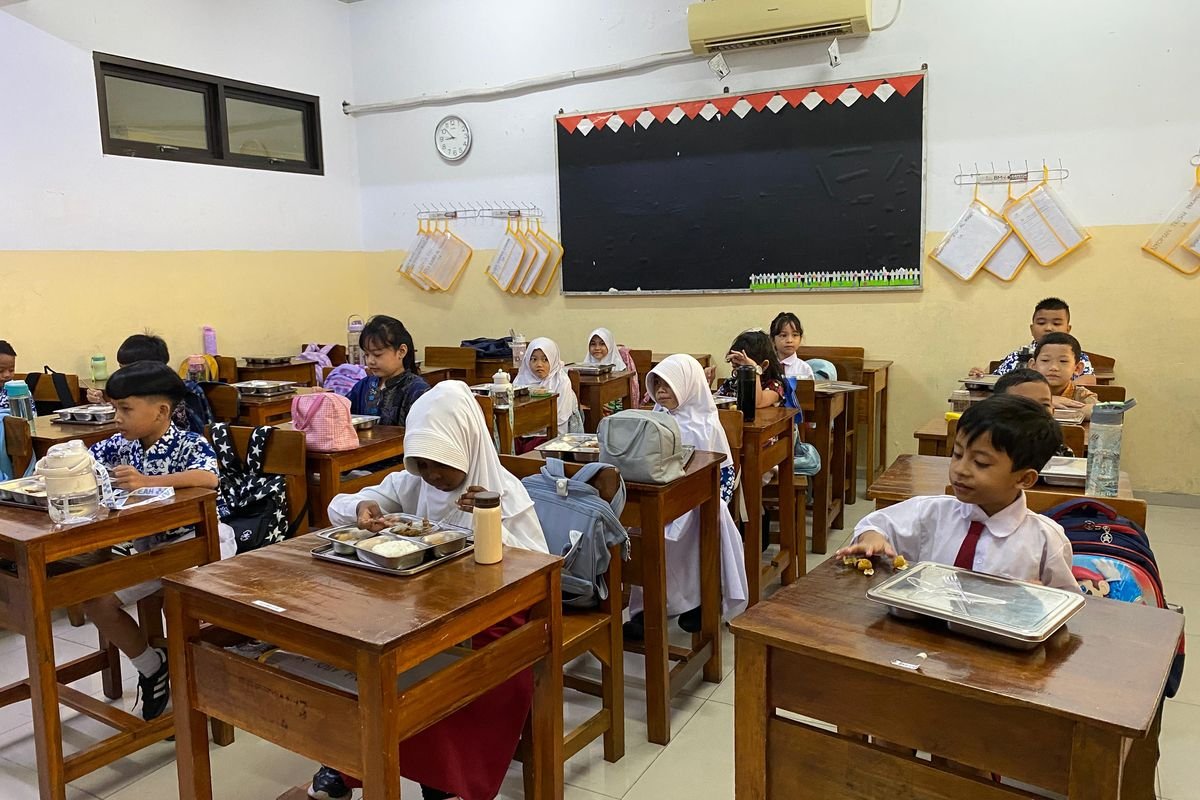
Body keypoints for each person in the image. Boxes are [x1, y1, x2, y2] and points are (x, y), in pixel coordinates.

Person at [306, 381, 547, 800]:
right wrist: (362, 508)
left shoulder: (503, 492)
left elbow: (536, 571)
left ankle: (443, 778)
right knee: (364, 653)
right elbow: (339, 505)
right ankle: (353, 758)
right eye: (422, 464)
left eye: (441, 465)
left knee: (436, 677)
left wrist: (490, 521)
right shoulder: (415, 483)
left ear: (467, 449)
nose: (433, 476)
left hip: (490, 622)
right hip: (422, 609)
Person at [84, 362, 237, 721]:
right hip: (153, 553)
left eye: (125, 409)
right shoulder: (122, 444)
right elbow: (86, 460)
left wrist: (147, 481)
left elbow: (208, 478)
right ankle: (153, 667)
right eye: (114, 408)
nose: (117, 418)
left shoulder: (189, 443)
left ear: (161, 411)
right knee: (97, 604)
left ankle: (195, 691)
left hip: (199, 545)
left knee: (176, 607)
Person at [836, 394, 1077, 591]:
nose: (960, 469)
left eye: (981, 463)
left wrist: (1043, 599)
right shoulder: (930, 511)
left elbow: (1068, 604)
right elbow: (875, 525)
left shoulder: (1046, 539)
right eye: (958, 454)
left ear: (1024, 478)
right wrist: (872, 539)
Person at [624, 354, 749, 638]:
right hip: (660, 495)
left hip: (697, 501)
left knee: (689, 527)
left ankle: (698, 601)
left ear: (688, 385)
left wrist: (713, 500)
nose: (661, 391)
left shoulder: (707, 424)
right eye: (657, 385)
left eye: (668, 385)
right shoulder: (655, 421)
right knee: (639, 527)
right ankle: (647, 608)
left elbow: (725, 475)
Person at [86, 334, 213, 434]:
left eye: (129, 370)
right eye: (121, 368)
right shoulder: (133, 392)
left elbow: (196, 432)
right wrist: (102, 403)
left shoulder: (181, 391)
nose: (124, 375)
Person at [970, 297, 1095, 379]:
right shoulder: (1017, 356)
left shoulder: (1077, 357)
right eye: (1041, 323)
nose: (1048, 328)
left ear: (1068, 329)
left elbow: (1088, 381)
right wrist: (980, 375)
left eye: (1056, 323)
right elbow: (997, 381)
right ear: (1032, 328)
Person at [345, 315, 430, 427]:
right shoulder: (363, 386)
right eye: (366, 354)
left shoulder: (417, 390)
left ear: (401, 351)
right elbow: (343, 414)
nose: (370, 361)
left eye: (377, 354)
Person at [994, 368, 1077, 457]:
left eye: (1044, 405)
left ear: (1053, 411)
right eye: (1023, 406)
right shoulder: (989, 450)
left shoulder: (1060, 452)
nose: (1035, 412)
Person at [513, 336, 583, 433]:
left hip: (554, 432)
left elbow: (560, 417)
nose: (539, 364)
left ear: (553, 359)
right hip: (525, 431)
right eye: (534, 359)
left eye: (545, 359)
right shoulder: (521, 380)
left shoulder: (561, 381)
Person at [1031, 332, 1098, 420]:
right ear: (1033, 366)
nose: (1053, 367)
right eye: (1045, 360)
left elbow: (1101, 413)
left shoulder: (1082, 395)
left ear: (1077, 368)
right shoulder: (1024, 391)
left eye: (1063, 361)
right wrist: (1048, 401)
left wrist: (1044, 407)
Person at [714, 329, 786, 408]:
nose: (738, 372)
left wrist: (754, 370)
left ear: (764, 366)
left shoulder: (774, 386)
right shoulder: (731, 383)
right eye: (735, 367)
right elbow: (713, 403)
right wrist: (707, 384)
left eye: (744, 368)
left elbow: (756, 403)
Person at [770, 311, 815, 380]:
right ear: (773, 339)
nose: (789, 340)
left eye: (795, 335)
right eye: (783, 335)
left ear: (800, 338)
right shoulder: (768, 366)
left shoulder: (804, 369)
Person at [0, 340, 27, 414]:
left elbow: (31, 415)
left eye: (11, 370)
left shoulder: (20, 391)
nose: (7, 375)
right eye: (0, 371)